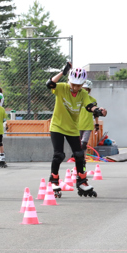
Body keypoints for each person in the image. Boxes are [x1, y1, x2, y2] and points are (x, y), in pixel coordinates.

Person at [46, 64, 107, 198]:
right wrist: (62, 72)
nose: (75, 88)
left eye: (78, 86)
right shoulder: (62, 88)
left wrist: (98, 110)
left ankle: (82, 181)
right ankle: (54, 180)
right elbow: (50, 84)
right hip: (57, 126)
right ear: (69, 81)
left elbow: (89, 106)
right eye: (73, 85)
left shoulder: (83, 93)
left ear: (83, 85)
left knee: (79, 155)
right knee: (59, 155)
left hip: (72, 128)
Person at [78, 79, 99, 153]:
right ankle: (76, 159)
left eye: (86, 89)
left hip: (88, 125)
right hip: (77, 125)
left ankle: (83, 160)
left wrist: (97, 124)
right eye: (83, 89)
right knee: (77, 145)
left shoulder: (93, 100)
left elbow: (96, 113)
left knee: (84, 143)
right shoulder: (77, 99)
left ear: (89, 90)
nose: (85, 91)